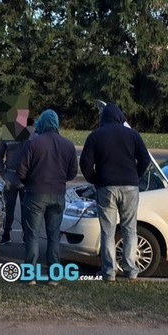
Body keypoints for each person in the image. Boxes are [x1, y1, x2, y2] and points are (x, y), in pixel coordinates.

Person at [79, 103, 150, 281]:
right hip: (130, 187)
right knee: (130, 229)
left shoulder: (95, 136)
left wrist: (96, 179)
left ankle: (109, 271)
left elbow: (85, 165)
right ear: (120, 117)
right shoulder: (133, 135)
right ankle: (131, 269)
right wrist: (136, 175)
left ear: (103, 117)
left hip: (106, 187)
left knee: (108, 231)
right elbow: (145, 159)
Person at [17, 109, 77, 285]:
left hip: (35, 194)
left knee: (32, 235)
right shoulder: (68, 145)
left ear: (42, 124)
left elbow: (21, 171)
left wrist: (30, 181)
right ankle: (54, 276)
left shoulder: (33, 143)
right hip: (57, 194)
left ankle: (30, 276)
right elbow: (72, 172)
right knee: (53, 236)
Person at [0, 96, 34, 245]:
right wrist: (3, 174)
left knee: (27, 209)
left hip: (27, 179)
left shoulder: (30, 134)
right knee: (8, 208)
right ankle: (6, 235)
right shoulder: (6, 133)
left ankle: (26, 236)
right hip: (10, 176)